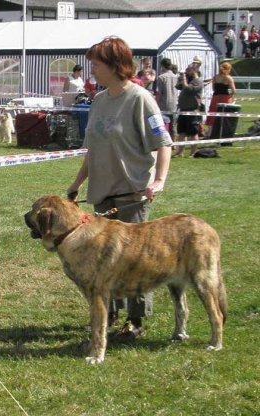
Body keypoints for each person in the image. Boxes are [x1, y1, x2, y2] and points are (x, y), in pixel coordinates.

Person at [66, 36, 172, 341]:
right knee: (102, 261)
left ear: (115, 65)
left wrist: (159, 182)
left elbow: (163, 143)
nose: (92, 70)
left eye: (96, 64)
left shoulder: (140, 99)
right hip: (102, 196)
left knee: (136, 261)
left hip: (131, 196)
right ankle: (108, 313)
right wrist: (77, 184)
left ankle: (136, 321)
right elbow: (93, 151)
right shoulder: (99, 101)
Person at [173, 65, 204, 157]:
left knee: (193, 132)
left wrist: (184, 80)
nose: (186, 73)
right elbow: (178, 86)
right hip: (183, 110)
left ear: (194, 71)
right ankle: (180, 152)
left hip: (192, 111)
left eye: (188, 71)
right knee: (181, 132)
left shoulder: (198, 82)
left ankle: (193, 152)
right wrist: (181, 79)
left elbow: (188, 89)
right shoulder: (188, 80)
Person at [206, 62, 236, 136]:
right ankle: (224, 132)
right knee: (226, 115)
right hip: (225, 98)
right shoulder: (229, 78)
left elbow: (213, 88)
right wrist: (231, 95)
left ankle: (210, 132)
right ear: (228, 69)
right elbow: (234, 90)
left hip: (215, 97)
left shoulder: (215, 77)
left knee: (212, 113)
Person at [155, 57, 179, 139]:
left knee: (162, 124)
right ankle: (174, 142)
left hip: (163, 103)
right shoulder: (176, 77)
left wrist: (155, 103)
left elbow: (159, 92)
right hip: (174, 103)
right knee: (173, 124)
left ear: (162, 65)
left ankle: (162, 140)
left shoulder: (161, 77)